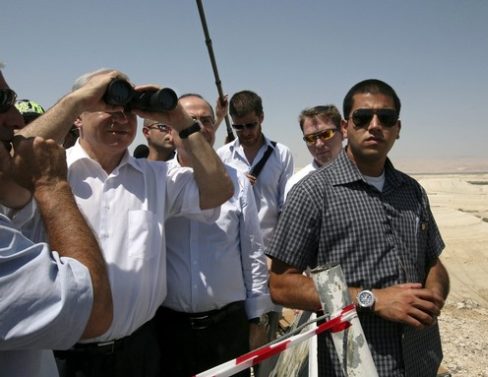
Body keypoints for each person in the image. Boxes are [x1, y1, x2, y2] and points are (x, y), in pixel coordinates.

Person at [17, 68, 234, 377]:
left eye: (128, 113)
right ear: (78, 117)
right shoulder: (47, 170)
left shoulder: (156, 178)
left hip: (139, 352)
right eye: (108, 109)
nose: (121, 119)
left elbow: (219, 190)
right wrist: (77, 99)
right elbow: (8, 165)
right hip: (63, 357)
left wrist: (179, 119)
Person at [267, 79, 450, 377]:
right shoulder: (313, 192)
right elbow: (280, 285)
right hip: (353, 364)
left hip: (420, 360)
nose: (375, 125)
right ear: (345, 126)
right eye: (363, 118)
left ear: (398, 129)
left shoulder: (412, 191)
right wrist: (372, 299)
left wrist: (435, 294)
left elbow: (433, 260)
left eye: (386, 118)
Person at [0, 64, 113, 377]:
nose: (14, 121)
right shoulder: (54, 168)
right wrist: (52, 184)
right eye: (2, 101)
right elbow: (93, 310)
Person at [153, 93, 273, 377]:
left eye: (207, 120)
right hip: (168, 330)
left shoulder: (238, 183)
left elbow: (252, 251)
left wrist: (258, 319)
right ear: (170, 131)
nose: (200, 127)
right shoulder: (154, 181)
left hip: (227, 329)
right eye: (190, 120)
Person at [217, 90, 294, 249]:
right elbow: (217, 205)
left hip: (270, 249)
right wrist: (237, 184)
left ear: (261, 118)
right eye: (238, 126)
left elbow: (286, 207)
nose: (245, 132)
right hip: (232, 249)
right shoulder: (222, 155)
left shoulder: (281, 154)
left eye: (251, 125)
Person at [284, 104, 344, 199]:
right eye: (311, 139)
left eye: (326, 134)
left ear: (343, 130)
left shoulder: (368, 172)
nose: (319, 144)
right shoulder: (297, 184)